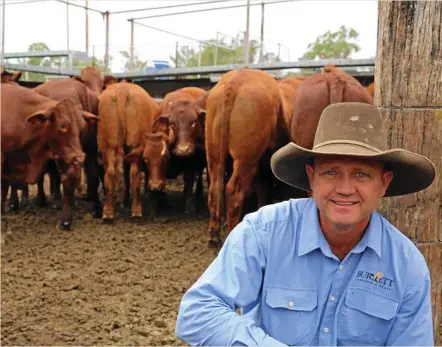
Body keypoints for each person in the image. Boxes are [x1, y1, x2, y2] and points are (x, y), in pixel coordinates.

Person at [175, 102, 436, 346]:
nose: (345, 189)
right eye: (331, 172)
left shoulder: (407, 267)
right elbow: (197, 311)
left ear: (384, 183)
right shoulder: (264, 231)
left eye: (361, 174)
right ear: (311, 178)